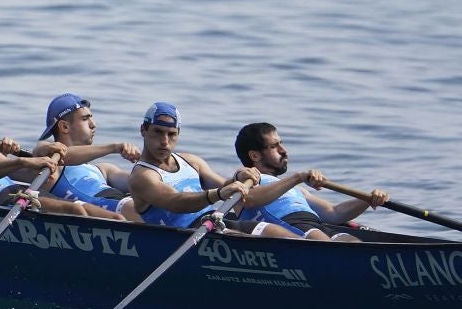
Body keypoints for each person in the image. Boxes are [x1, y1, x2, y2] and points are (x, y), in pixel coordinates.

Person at [128, 103, 297, 237]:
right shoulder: (142, 176)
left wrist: (238, 176)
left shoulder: (191, 161)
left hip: (215, 221)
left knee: (278, 234)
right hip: (187, 234)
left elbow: (224, 185)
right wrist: (218, 194)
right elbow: (175, 202)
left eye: (171, 134)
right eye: (158, 132)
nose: (165, 141)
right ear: (143, 130)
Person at [232, 122, 390, 241]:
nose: (284, 150)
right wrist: (298, 178)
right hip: (289, 226)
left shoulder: (297, 190)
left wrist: (367, 199)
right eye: (274, 146)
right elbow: (250, 199)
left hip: (317, 225)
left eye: (281, 143)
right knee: (327, 243)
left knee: (352, 242)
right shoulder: (245, 179)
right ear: (255, 156)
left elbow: (334, 213)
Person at [37, 92, 143, 221]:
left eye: (91, 118)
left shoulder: (103, 169)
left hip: (123, 202)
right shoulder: (51, 166)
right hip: (118, 209)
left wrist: (147, 163)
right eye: (85, 119)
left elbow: (139, 183)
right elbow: (53, 153)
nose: (93, 124)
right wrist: (114, 148)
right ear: (64, 126)